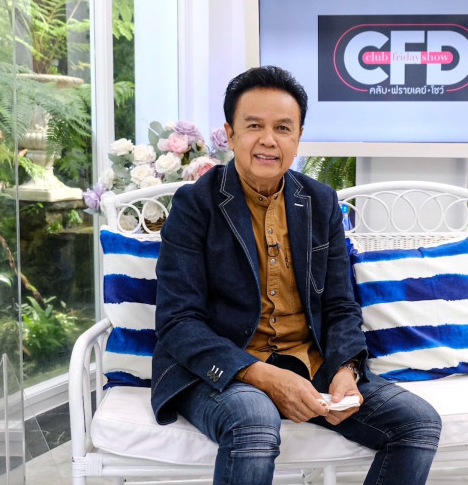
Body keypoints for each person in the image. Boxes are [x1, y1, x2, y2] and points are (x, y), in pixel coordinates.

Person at [151, 65, 442, 485]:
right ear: (230, 134)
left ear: (298, 136)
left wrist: (345, 370)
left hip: (310, 362)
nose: (269, 139)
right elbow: (178, 322)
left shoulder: (320, 201)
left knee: (417, 423)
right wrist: (265, 377)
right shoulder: (195, 204)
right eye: (254, 125)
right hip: (224, 366)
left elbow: (340, 305)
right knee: (253, 419)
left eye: (283, 128)